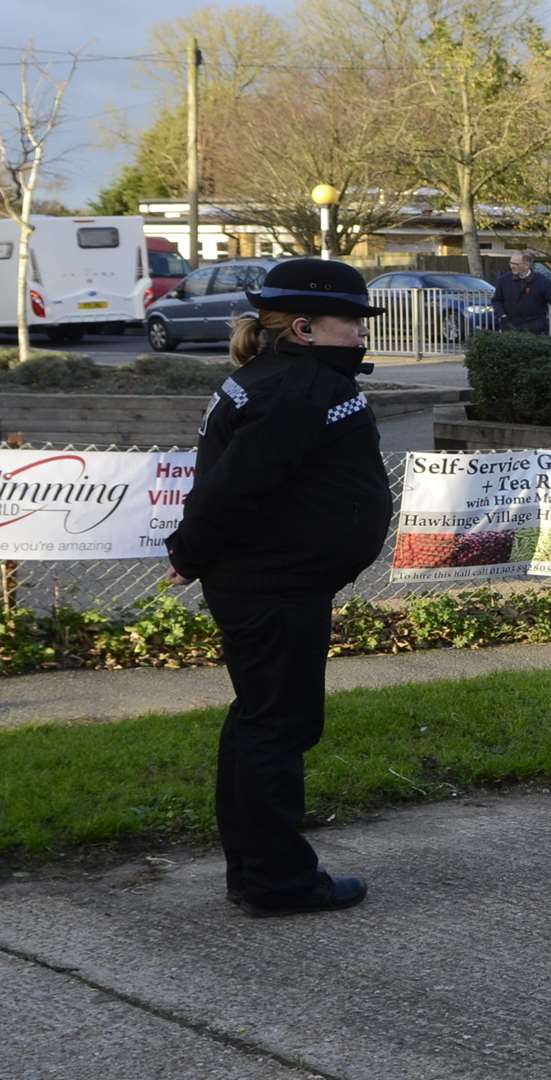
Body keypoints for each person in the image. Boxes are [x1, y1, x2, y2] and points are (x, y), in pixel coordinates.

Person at [164, 258, 393, 916]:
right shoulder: (296, 387)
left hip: (274, 581)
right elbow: (236, 484)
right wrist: (188, 551)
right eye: (349, 323)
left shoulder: (281, 377)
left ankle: (255, 870)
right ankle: (278, 882)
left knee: (259, 720)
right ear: (304, 327)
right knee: (278, 726)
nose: (360, 334)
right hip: (272, 586)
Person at [491, 251, 551, 336]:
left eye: (516, 264)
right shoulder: (503, 280)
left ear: (527, 265)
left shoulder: (542, 282)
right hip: (509, 328)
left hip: (535, 331)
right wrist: (502, 315)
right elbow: (496, 300)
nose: (512, 266)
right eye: (511, 263)